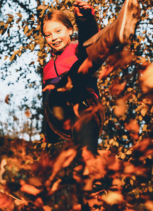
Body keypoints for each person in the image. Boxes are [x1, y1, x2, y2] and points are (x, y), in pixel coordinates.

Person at [41, 0, 140, 155]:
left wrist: (85, 19)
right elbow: (47, 99)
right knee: (65, 82)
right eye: (48, 35)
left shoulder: (75, 48)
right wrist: (48, 135)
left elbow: (89, 38)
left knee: (87, 161)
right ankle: (113, 36)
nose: (53, 37)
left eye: (58, 31)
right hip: (60, 112)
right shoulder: (47, 67)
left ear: (69, 29)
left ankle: (117, 31)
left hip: (86, 107)